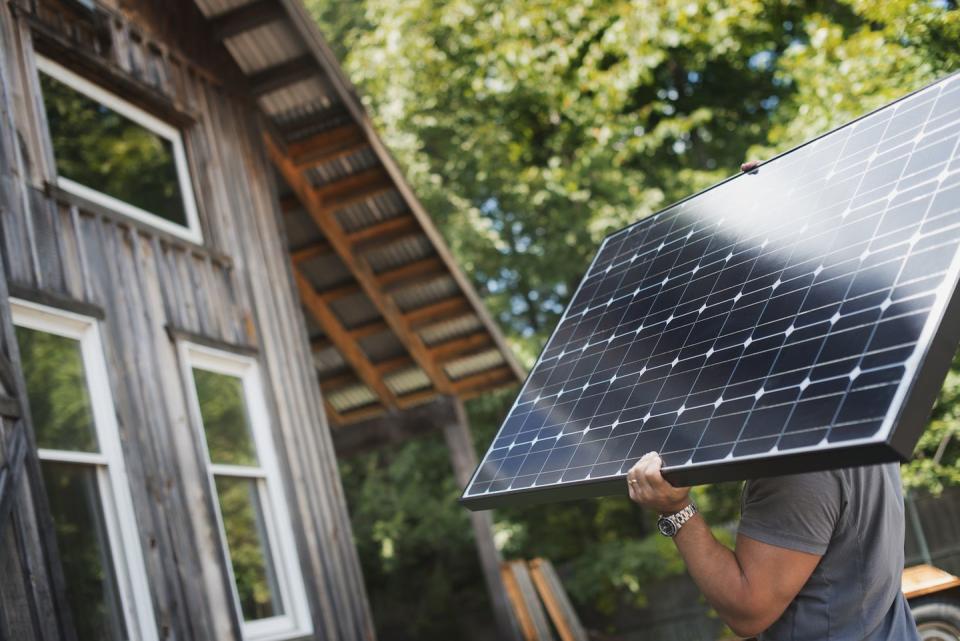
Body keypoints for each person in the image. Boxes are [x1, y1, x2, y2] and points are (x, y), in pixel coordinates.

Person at [624, 162, 922, 641]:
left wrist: (675, 511)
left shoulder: (797, 459)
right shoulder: (857, 409)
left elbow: (749, 608)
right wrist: (769, 199)